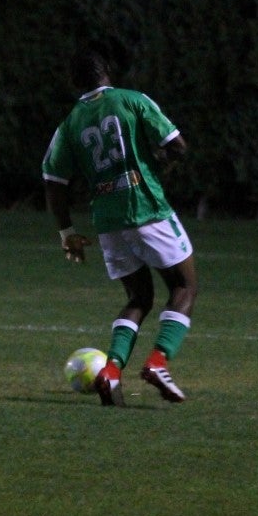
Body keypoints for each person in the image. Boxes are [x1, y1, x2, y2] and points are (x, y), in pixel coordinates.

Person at [41, 49, 199, 407]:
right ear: (107, 72)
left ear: (74, 83)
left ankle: (111, 372)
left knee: (138, 298)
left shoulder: (70, 123)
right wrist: (161, 167)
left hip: (109, 222)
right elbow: (177, 146)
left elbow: (52, 178)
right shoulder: (132, 101)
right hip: (147, 209)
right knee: (185, 286)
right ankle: (158, 362)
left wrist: (67, 234)